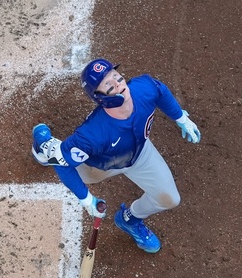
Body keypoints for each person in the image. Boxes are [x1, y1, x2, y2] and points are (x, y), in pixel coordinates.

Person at [31, 58, 201, 253]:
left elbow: (160, 90)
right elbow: (62, 165)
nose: (118, 84)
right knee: (60, 156)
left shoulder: (143, 89)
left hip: (140, 155)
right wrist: (86, 200)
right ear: (100, 97)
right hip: (97, 167)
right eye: (109, 85)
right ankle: (43, 143)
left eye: (116, 77)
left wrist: (181, 118)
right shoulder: (93, 134)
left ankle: (130, 220)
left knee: (170, 199)